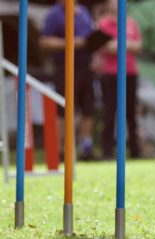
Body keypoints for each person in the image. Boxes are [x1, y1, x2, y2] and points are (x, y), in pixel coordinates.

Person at [40, 0, 97, 160]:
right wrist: (71, 43)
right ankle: (60, 150)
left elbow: (90, 36)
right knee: (63, 108)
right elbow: (44, 41)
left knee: (89, 107)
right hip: (64, 65)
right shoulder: (54, 14)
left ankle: (86, 148)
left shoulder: (84, 11)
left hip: (86, 65)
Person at [97, 0, 143, 159]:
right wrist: (127, 44)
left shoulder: (131, 23)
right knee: (109, 112)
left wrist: (119, 44)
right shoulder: (103, 24)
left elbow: (139, 46)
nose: (116, 5)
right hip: (110, 74)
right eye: (113, 2)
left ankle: (136, 151)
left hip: (130, 73)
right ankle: (107, 151)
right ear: (109, 5)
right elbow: (106, 47)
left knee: (132, 113)